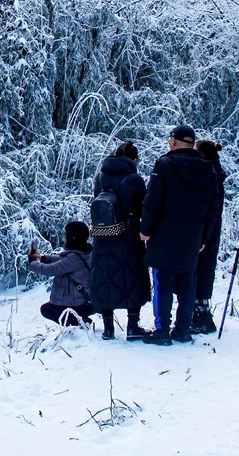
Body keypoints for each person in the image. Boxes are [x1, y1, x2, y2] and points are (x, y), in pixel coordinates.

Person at [139, 125, 215, 346]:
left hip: (165, 234)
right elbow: (213, 208)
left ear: (173, 141)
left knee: (163, 282)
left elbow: (153, 200)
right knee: (187, 283)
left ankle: (162, 330)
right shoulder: (207, 169)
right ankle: (182, 329)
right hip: (192, 236)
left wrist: (145, 230)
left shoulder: (164, 165)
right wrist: (204, 238)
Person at [90, 141, 151, 341]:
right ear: (133, 159)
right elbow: (143, 207)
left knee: (105, 276)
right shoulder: (134, 179)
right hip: (127, 236)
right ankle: (132, 326)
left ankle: (108, 329)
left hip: (102, 234)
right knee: (131, 276)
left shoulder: (100, 177)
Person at [191, 139, 227, 334]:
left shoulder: (209, 176)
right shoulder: (215, 173)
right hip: (210, 230)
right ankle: (200, 313)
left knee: (201, 269)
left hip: (206, 231)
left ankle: (202, 316)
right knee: (204, 269)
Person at [28, 221, 94, 327]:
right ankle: (80, 320)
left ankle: (79, 324)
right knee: (49, 309)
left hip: (79, 304)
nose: (64, 239)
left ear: (73, 238)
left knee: (47, 310)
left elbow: (51, 269)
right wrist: (43, 258)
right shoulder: (84, 253)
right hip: (87, 301)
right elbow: (62, 261)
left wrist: (32, 263)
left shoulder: (73, 258)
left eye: (66, 236)